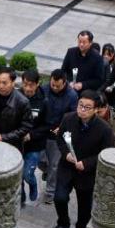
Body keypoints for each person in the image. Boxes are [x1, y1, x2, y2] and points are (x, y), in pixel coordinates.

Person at [51, 90, 114, 228]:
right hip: (67, 166)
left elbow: (106, 153)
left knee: (85, 203)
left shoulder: (104, 129)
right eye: (80, 105)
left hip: (87, 172)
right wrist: (66, 153)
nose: (82, 110)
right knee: (59, 197)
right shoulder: (68, 118)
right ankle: (63, 223)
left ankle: (81, 227)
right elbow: (60, 138)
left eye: (87, 107)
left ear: (96, 109)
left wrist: (86, 163)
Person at [41, 68, 78, 203]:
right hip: (43, 129)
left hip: (58, 134)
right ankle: (46, 170)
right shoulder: (44, 89)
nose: (55, 88)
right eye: (53, 85)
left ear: (65, 83)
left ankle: (50, 192)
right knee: (40, 158)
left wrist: (61, 128)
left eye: (58, 86)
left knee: (55, 165)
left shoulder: (72, 95)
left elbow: (73, 116)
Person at [0, 66, 33, 149]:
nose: (0, 86)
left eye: (4, 83)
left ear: (13, 83)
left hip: (10, 144)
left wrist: (4, 137)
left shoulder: (22, 102)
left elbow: (26, 127)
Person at [19, 69, 48, 206]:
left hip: (35, 145)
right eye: (25, 84)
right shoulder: (16, 96)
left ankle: (33, 184)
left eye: (31, 85)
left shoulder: (45, 101)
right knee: (16, 175)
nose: (28, 88)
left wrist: (32, 135)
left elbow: (47, 125)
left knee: (27, 173)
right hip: (17, 143)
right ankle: (21, 198)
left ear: (37, 84)